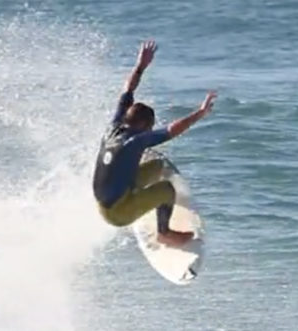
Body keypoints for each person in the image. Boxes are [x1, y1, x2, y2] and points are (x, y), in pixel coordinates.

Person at [92, 40, 216, 247]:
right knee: (167, 189)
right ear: (142, 125)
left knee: (158, 166)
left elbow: (127, 91)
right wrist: (201, 113)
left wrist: (140, 66)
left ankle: (144, 202)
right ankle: (164, 233)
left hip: (109, 198)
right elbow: (172, 130)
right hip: (116, 213)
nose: (151, 130)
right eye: (150, 126)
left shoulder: (115, 125)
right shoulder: (135, 140)